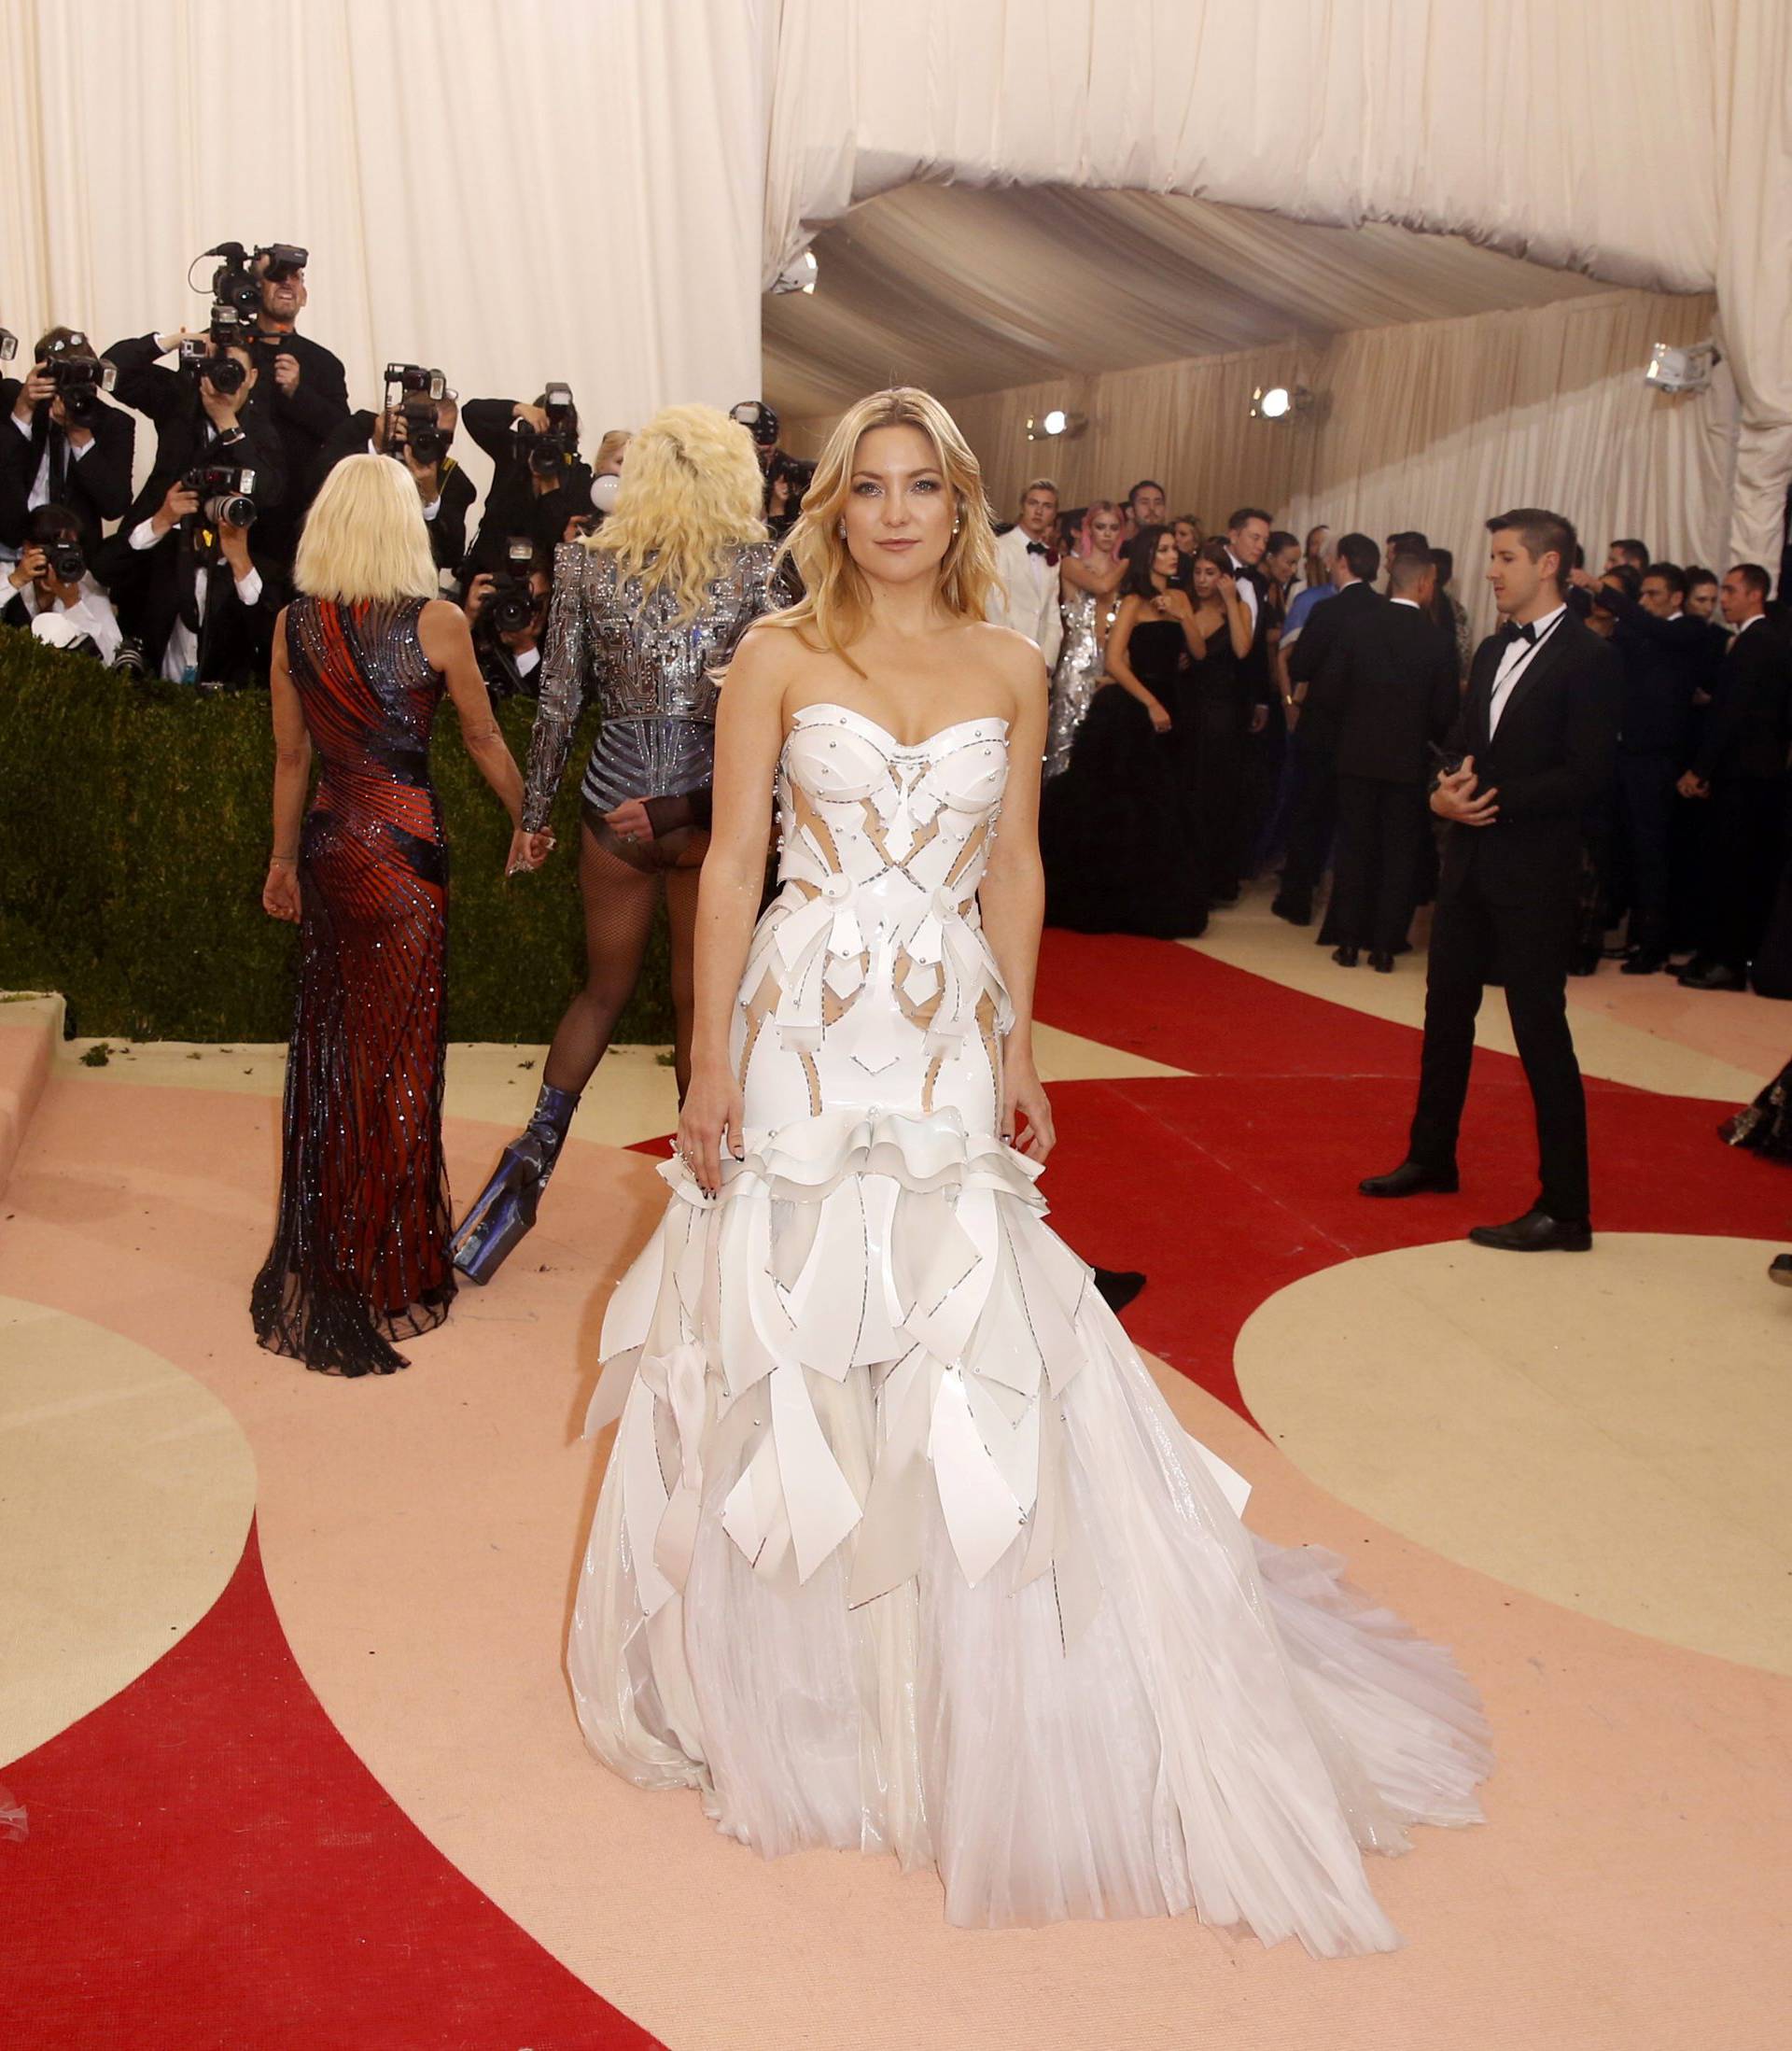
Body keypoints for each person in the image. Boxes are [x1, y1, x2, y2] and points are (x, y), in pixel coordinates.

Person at [566, 383, 1490, 1952]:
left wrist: (1022, 1044)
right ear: (838, 506)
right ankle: (795, 1679)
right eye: (873, 487)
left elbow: (1015, 864)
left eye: (927, 486)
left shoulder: (1010, 657)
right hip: (800, 1025)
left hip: (938, 1038)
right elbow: (729, 860)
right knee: (787, 1334)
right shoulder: (779, 653)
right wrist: (710, 1055)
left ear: (965, 501)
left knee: (958, 1332)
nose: (901, 512)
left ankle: (951, 1676)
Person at [449, 405, 786, 1284]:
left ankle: (524, 1176)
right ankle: (710, 1209)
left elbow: (559, 701)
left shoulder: (586, 564)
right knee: (699, 1009)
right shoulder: (762, 568)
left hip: (614, 805)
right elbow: (785, 713)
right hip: (715, 816)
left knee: (601, 994)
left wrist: (536, 818)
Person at [250, 456, 527, 1375]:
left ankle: (337, 1248)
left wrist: (284, 861)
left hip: (334, 850)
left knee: (340, 1049)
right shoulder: (439, 624)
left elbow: (293, 761)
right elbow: (483, 736)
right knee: (400, 1057)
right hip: (407, 858)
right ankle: (391, 1263)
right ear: (406, 527)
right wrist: (528, 820)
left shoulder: (294, 627)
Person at [1361, 507, 1620, 1252]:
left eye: (1506, 557)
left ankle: (1566, 1210)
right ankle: (1431, 1155)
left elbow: (1590, 776)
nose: (1492, 570)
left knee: (1541, 1034)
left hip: (1536, 873)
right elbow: (1467, 743)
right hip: (1469, 865)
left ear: (1549, 565)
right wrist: (1443, 790)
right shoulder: (1498, 645)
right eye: (1493, 556)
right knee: (1446, 1017)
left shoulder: (1591, 658)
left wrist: (1491, 800)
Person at [1041, 525, 1208, 938]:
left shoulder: (1182, 598)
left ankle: (1160, 900)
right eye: (1165, 549)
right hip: (1137, 705)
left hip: (1175, 704)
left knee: (1168, 804)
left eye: (1175, 549)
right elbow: (1114, 661)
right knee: (1128, 804)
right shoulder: (1133, 600)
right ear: (1149, 554)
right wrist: (1149, 703)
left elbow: (1199, 652)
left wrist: (1184, 615)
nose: (1174, 555)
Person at [1310, 550, 1459, 969]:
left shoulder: (1358, 628)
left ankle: (1349, 941)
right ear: (1426, 585)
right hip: (1407, 762)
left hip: (1356, 756)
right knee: (1399, 853)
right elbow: (1446, 713)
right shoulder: (1436, 640)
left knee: (1355, 848)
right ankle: (1385, 946)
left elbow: (1330, 692)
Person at [1567, 559, 1711, 974]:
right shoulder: (1637, 631)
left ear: (1677, 598)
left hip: (1659, 760)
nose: (1645, 601)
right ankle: (1632, 938)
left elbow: (1653, 630)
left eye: (1654, 594)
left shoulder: (1688, 629)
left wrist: (1600, 587)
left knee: (1653, 854)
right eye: (1642, 594)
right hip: (1625, 756)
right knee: (1625, 851)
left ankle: (1654, 945)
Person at [1674, 564, 1792, 991]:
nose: (1723, 598)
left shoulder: (1755, 643)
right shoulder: (1766, 641)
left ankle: (1723, 961)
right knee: (1737, 867)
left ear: (1756, 594)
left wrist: (1699, 769)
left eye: (1731, 590)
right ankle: (1719, 956)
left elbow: (1730, 714)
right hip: (1761, 774)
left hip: (1742, 775)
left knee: (1729, 869)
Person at [1274, 533, 1383, 924]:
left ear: (1342, 563)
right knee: (1356, 824)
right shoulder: (1386, 611)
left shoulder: (1327, 611)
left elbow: (1300, 666)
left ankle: (1297, 899)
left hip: (1321, 728)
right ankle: (1347, 910)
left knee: (1309, 815)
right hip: (1366, 731)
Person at [247, 249, 350, 563]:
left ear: (304, 296)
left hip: (298, 526)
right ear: (254, 289)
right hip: (236, 515)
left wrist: (298, 393)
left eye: (296, 278)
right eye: (276, 276)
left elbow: (343, 433)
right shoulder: (227, 350)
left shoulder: (324, 363)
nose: (287, 284)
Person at [317, 389, 476, 588]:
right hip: (339, 576)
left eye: (444, 437)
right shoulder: (363, 429)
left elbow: (450, 555)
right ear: (401, 419)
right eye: (425, 432)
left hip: (405, 591)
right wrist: (374, 448)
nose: (434, 442)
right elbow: (316, 484)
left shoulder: (452, 480)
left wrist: (429, 497)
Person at [0, 328, 135, 555]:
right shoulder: (14, 399)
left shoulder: (113, 423)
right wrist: (23, 412)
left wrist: (80, 436)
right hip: (12, 546)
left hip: (75, 554)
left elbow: (115, 506)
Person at [1180, 540, 1256, 903]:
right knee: (1187, 792)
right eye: (1198, 572)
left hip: (1224, 714)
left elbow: (1243, 650)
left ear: (1224, 576)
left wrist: (1230, 600)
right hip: (1187, 708)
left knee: (1218, 796)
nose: (1202, 580)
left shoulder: (1238, 607)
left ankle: (1216, 882)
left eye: (1210, 573)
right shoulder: (1185, 604)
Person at [1044, 498, 1125, 777]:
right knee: (1065, 750)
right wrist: (1127, 562)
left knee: (1106, 754)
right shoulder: (1071, 565)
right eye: (1100, 526)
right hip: (1077, 668)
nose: (1107, 533)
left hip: (1114, 668)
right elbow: (1102, 587)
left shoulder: (1125, 576)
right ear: (1087, 529)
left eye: (1114, 527)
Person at [2, 503, 123, 664]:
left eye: (67, 552)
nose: (55, 563)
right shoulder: (7, 574)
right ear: (27, 548)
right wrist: (15, 581)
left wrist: (73, 603)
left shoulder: (85, 582)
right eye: (50, 552)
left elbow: (111, 656)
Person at [986, 477, 1063, 668]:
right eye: (1033, 503)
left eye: (1047, 506)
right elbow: (994, 606)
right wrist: (1012, 657)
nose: (1038, 511)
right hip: (1004, 655)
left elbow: (1051, 613)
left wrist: (1046, 661)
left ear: (1054, 513)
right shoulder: (999, 547)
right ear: (1022, 506)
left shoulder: (1053, 557)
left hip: (1038, 660)